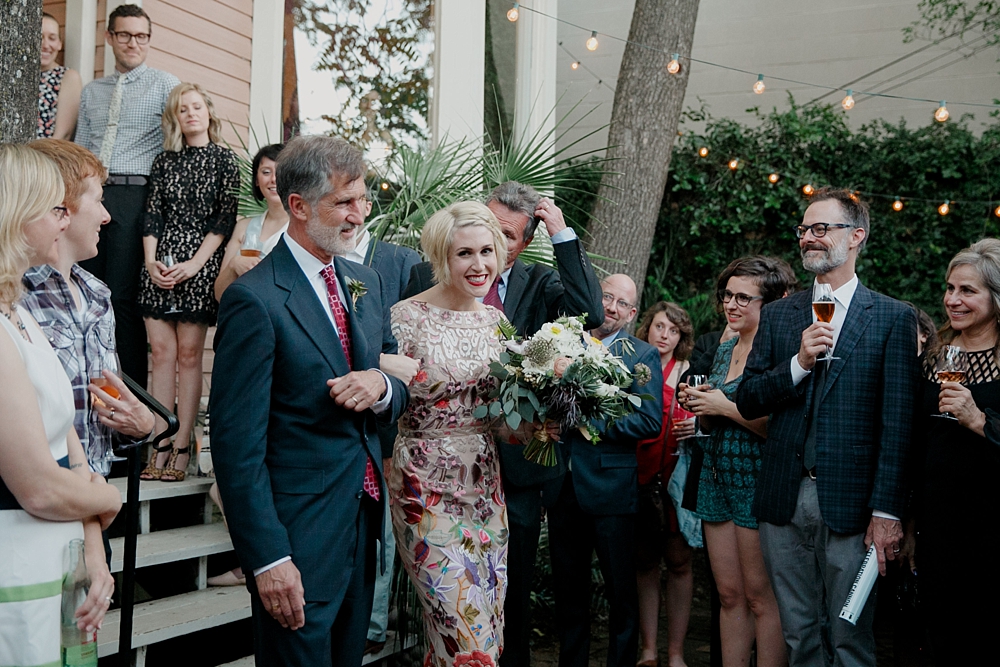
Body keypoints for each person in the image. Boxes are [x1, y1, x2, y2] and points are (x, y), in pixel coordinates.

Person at [210, 135, 409, 666]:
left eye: (363, 200)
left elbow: (396, 374)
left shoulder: (362, 282)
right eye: (343, 202)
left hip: (361, 521)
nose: (358, 215)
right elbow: (236, 447)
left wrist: (383, 386)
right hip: (296, 535)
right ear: (297, 206)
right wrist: (268, 556)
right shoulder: (254, 300)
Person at [405, 182, 603, 667]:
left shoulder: (530, 293)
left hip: (506, 470)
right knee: (456, 616)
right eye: (472, 242)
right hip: (429, 479)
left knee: (496, 606)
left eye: (501, 239)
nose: (486, 252)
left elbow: (589, 316)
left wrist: (562, 235)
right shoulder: (412, 294)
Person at [736, 188, 919, 667]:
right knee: (799, 636)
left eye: (822, 228)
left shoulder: (892, 318)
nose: (809, 238)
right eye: (804, 230)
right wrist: (796, 363)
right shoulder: (779, 315)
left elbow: (897, 425)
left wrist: (887, 511)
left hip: (854, 507)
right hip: (783, 498)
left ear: (856, 236)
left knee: (850, 638)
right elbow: (749, 398)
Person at [0, 143, 122, 667]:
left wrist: (91, 545)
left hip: (60, 555)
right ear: (18, 212)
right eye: (57, 208)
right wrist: (108, 502)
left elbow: (69, 438)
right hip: (17, 567)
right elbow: (38, 485)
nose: (65, 220)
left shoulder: (17, 314)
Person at [388, 200, 511, 666]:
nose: (478, 265)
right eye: (464, 254)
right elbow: (371, 382)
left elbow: (498, 416)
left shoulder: (496, 323)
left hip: (485, 488)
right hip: (425, 488)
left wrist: (539, 423)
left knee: (484, 633)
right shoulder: (405, 317)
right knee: (466, 635)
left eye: (486, 251)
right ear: (442, 257)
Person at [543, 274, 663, 667]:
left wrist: (589, 422)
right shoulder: (561, 343)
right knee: (569, 593)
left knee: (620, 595)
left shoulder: (641, 355)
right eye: (605, 297)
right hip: (563, 487)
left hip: (612, 490)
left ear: (631, 314)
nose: (610, 307)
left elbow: (648, 422)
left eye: (620, 303)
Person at [681, 257, 792, 667]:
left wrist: (724, 407)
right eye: (728, 295)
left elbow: (780, 430)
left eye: (744, 297)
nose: (732, 304)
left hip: (756, 480)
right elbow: (716, 414)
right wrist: (702, 405)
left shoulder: (781, 352)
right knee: (728, 596)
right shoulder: (725, 348)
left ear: (775, 301)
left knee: (762, 599)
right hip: (715, 476)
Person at [22, 139, 156, 479]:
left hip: (96, 493)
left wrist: (138, 425)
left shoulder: (98, 295)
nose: (107, 215)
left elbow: (104, 407)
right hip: (37, 496)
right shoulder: (16, 293)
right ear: (63, 208)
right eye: (98, 200)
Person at [76, 3, 180, 389]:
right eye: (124, 35)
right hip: (91, 194)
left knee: (121, 300)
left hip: (137, 196)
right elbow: (82, 147)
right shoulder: (91, 91)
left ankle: (130, 410)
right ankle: (86, 389)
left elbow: (176, 146)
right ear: (110, 38)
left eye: (141, 36)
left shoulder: (166, 85)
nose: (133, 43)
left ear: (149, 40)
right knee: (85, 290)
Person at [138, 83, 239, 482]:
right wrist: (149, 262)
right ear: (176, 118)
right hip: (159, 263)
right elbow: (152, 215)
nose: (191, 114)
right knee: (160, 354)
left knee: (190, 356)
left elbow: (224, 220)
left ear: (209, 112)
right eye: (183, 109)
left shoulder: (224, 160)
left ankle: (182, 446)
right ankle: (158, 443)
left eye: (197, 107)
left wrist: (196, 265)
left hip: (199, 265)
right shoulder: (164, 161)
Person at [912, 239, 1000, 664]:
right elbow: (913, 440)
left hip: (992, 525)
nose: (953, 300)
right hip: (938, 522)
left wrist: (980, 422)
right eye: (950, 289)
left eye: (967, 291)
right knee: (940, 635)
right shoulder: (934, 357)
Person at [633, 301, 697, 667]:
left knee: (679, 562)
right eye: (660, 326)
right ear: (648, 328)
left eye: (673, 330)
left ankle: (675, 653)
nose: (665, 335)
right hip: (639, 476)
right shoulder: (634, 368)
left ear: (681, 337)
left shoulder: (688, 372)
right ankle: (648, 650)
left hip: (675, 479)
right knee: (644, 563)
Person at [214, 143, 289, 301]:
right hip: (242, 315)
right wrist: (235, 263)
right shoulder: (244, 227)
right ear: (256, 180)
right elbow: (219, 294)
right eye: (266, 172)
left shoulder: (302, 228)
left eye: (281, 171)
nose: (274, 179)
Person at [37, 13, 82, 140]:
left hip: (45, 156)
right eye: (39, 37)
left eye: (52, 38)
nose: (45, 45)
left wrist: (35, 159)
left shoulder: (67, 77)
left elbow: (63, 135)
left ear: (59, 44)